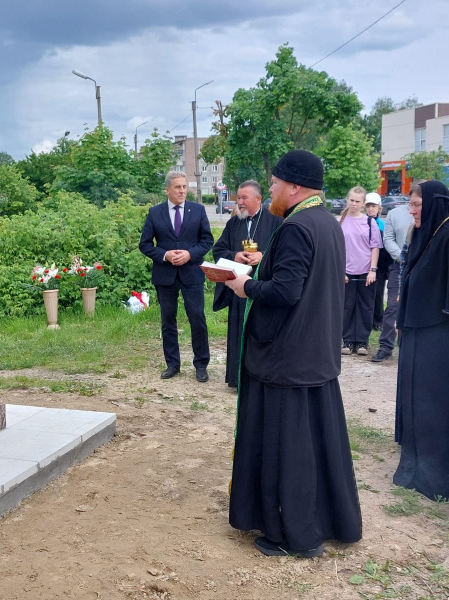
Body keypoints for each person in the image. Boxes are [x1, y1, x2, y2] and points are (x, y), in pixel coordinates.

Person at [225, 149, 362, 558]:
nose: (271, 190)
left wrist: (245, 286)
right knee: (316, 446)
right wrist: (263, 269)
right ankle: (325, 522)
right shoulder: (327, 222)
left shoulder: (297, 226)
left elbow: (286, 291)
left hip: (287, 357)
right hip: (315, 352)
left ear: (295, 186)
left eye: (275, 184)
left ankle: (291, 533)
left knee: (289, 450)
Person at [393, 180, 449, 501]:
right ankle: (416, 471)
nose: (412, 210)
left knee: (436, 408)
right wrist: (402, 318)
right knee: (416, 405)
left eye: (417, 205)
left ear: (434, 204)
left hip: (445, 341)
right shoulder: (424, 232)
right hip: (418, 333)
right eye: (410, 204)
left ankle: (439, 478)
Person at [139, 171, 213, 382]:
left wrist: (190, 254)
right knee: (167, 320)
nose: (182, 191)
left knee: (197, 318)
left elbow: (207, 241)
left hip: (192, 273)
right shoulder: (155, 213)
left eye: (184, 187)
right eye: (177, 187)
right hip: (165, 275)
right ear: (167, 190)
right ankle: (173, 364)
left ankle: (201, 365)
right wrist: (165, 255)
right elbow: (145, 244)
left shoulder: (198, 210)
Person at [212, 180, 283, 388]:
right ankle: (236, 379)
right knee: (237, 334)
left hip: (263, 289)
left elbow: (284, 251)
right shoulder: (234, 223)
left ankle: (259, 379)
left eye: (244, 198)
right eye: (238, 198)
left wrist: (263, 255)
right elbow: (218, 250)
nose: (240, 202)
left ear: (258, 199)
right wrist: (235, 256)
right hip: (238, 289)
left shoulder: (276, 221)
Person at [340, 186, 382, 356]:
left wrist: (373, 270)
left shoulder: (370, 223)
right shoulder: (340, 222)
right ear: (347, 200)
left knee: (365, 306)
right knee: (346, 306)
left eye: (358, 201)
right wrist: (340, 271)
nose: (354, 204)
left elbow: (375, 247)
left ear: (363, 203)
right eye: (351, 200)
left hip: (366, 271)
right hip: (346, 271)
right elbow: (336, 248)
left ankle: (362, 341)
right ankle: (348, 340)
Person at [372, 200, 414, 362]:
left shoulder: (432, 213)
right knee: (392, 305)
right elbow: (388, 239)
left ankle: (407, 347)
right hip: (399, 265)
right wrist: (402, 257)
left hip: (423, 266)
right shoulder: (395, 214)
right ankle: (386, 346)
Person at [365, 192, 392, 331]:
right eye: (368, 206)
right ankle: (366, 319)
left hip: (379, 265)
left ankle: (377, 320)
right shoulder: (361, 222)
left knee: (378, 293)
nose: (371, 209)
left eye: (373, 206)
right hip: (363, 263)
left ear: (379, 208)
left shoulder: (383, 225)